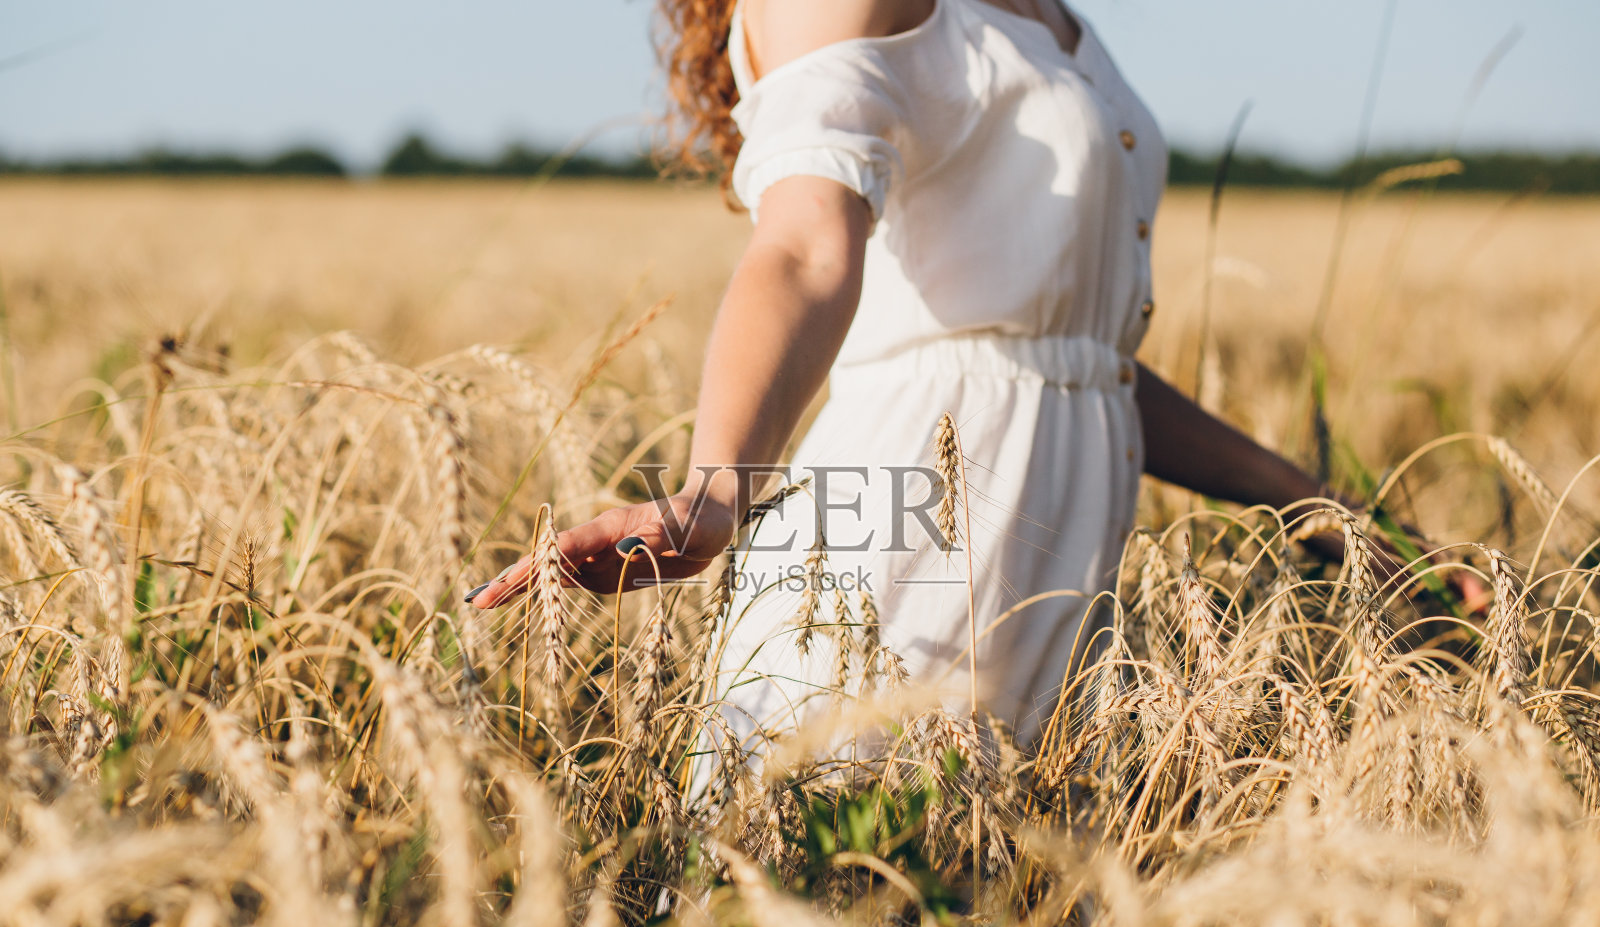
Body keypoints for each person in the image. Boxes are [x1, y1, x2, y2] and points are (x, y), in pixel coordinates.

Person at [469, 0, 1481, 763]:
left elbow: (1085, 364)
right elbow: (805, 249)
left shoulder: (1051, 17)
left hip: (1061, 569)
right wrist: (714, 491)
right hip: (911, 548)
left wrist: (1320, 508)